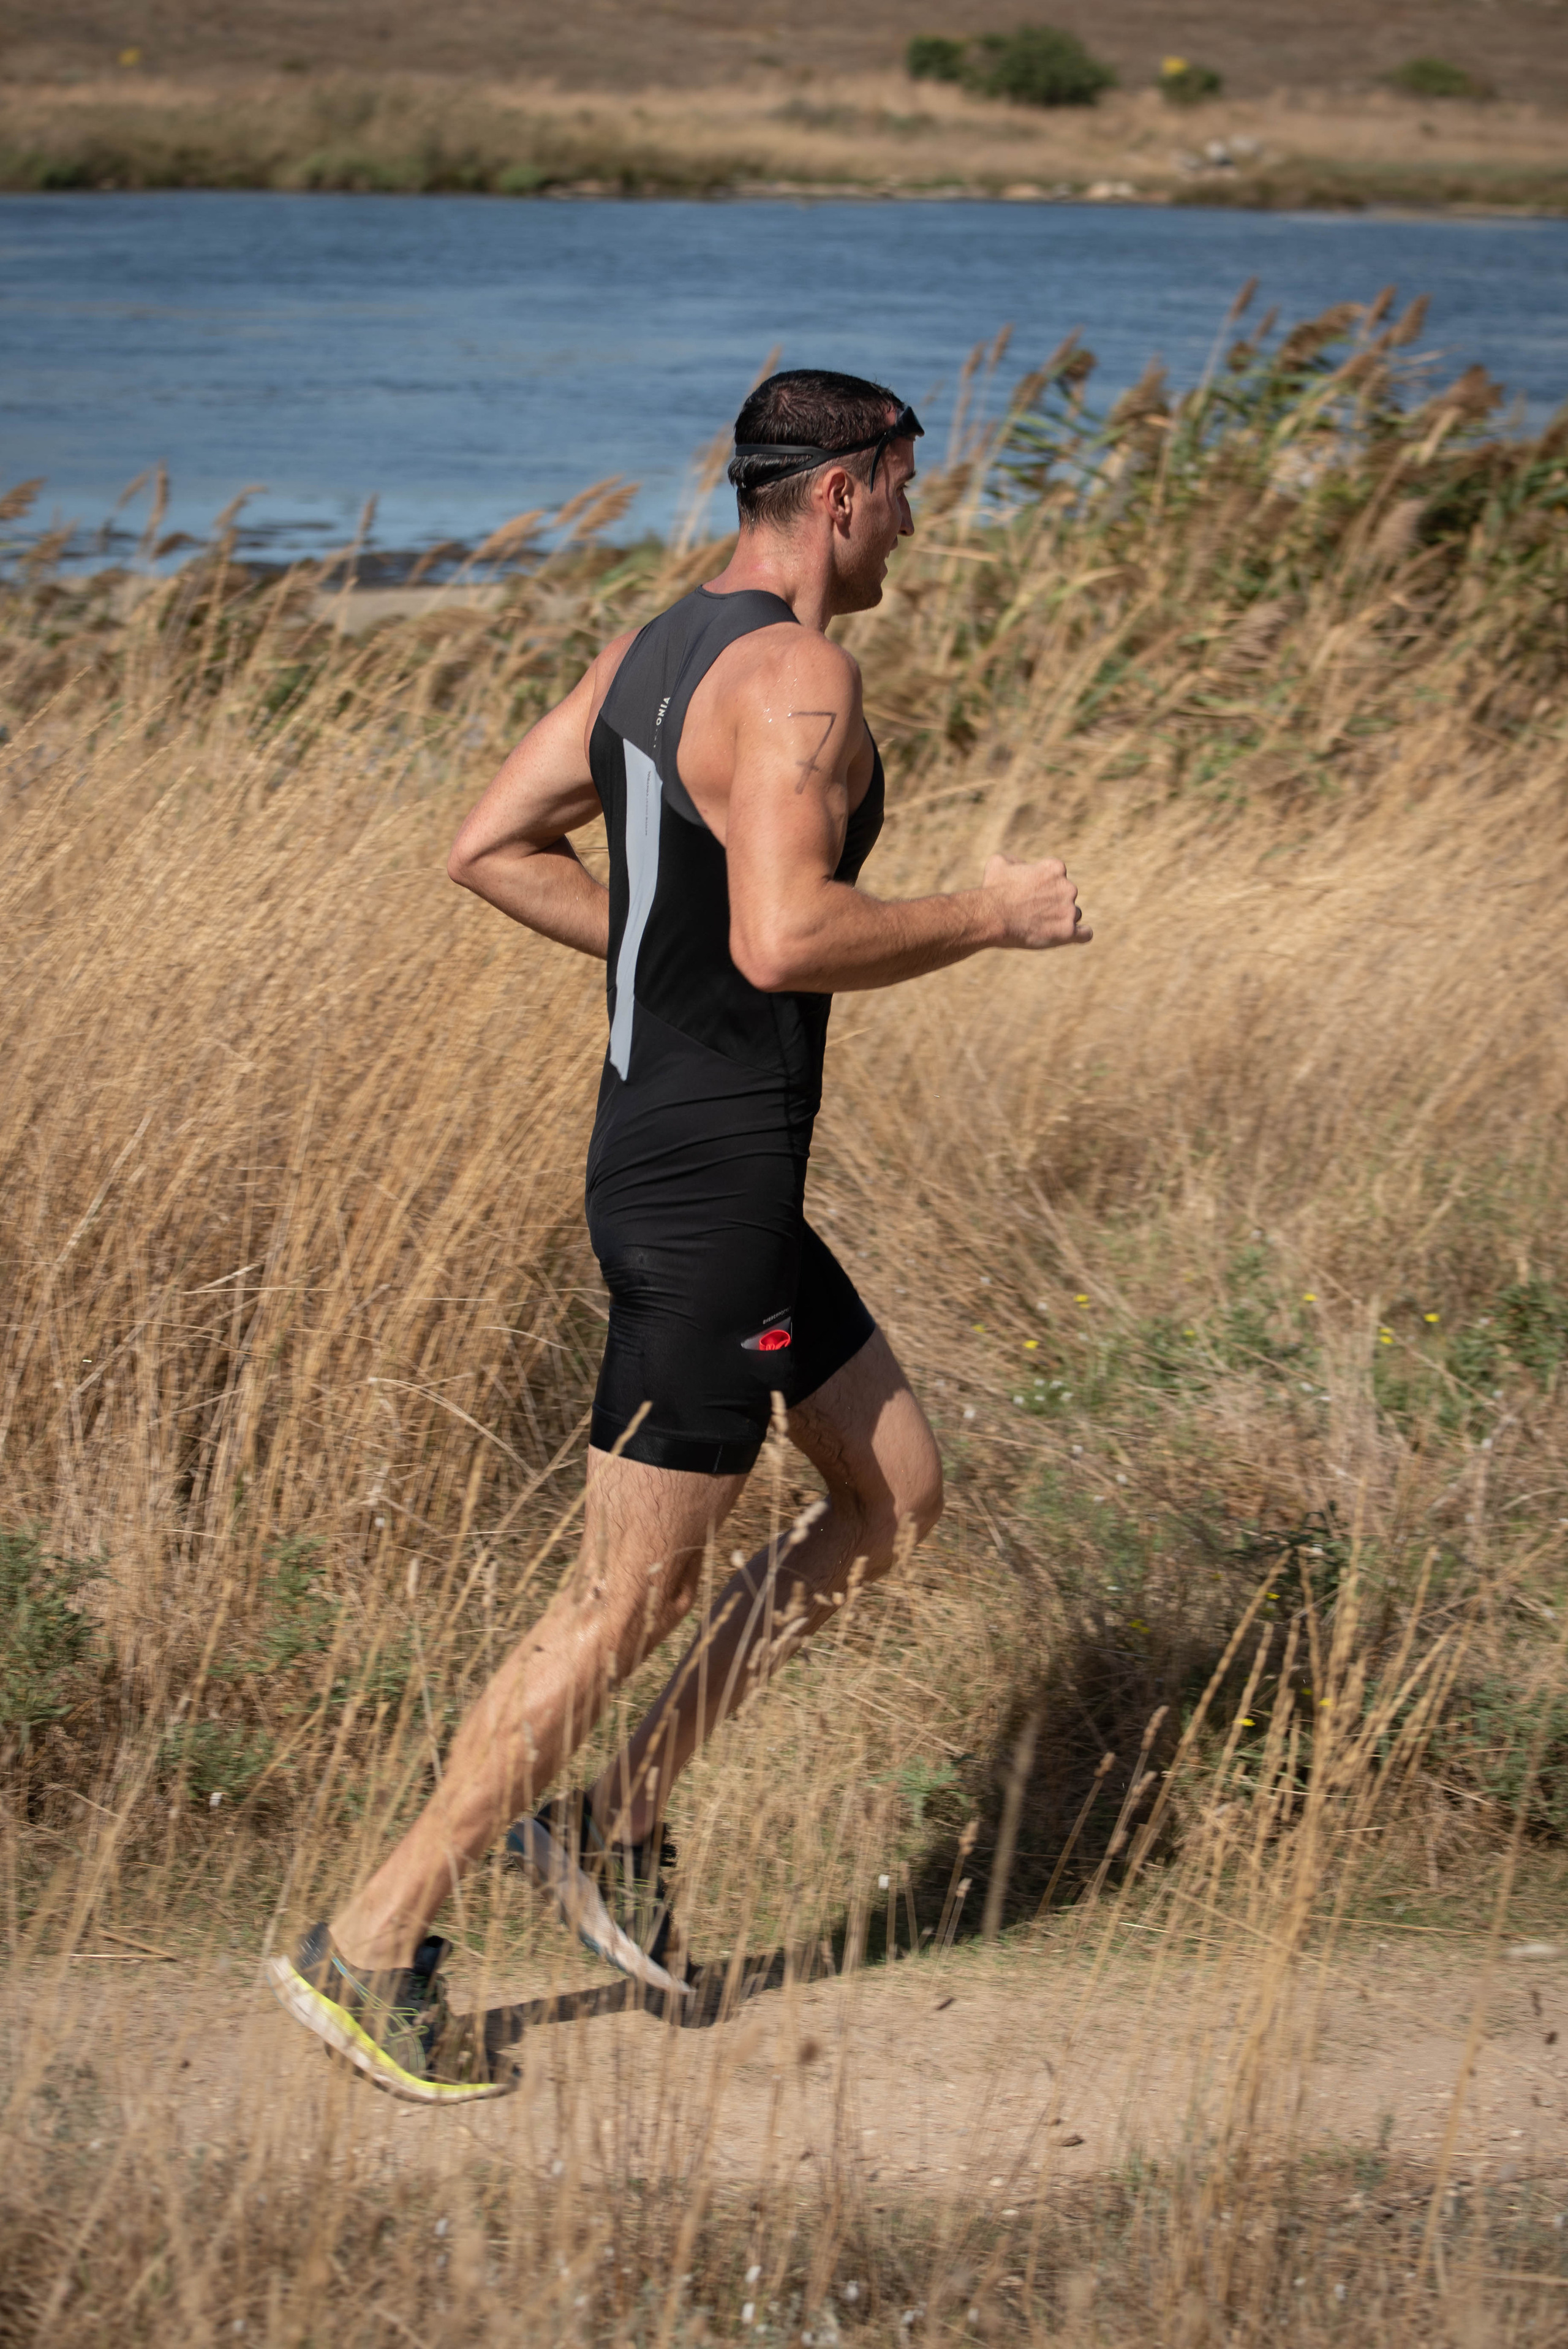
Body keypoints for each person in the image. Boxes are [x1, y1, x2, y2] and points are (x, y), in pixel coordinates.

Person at [268, 369, 1091, 2101]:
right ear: (846, 490)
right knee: (627, 1591)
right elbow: (788, 939)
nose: (917, 526)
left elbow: (490, 845)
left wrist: (663, 945)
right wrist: (989, 915)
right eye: (910, 490)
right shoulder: (797, 676)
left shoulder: (651, 652)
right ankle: (374, 1939)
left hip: (699, 1169)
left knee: (893, 1494)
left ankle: (616, 1816)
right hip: (708, 1192)